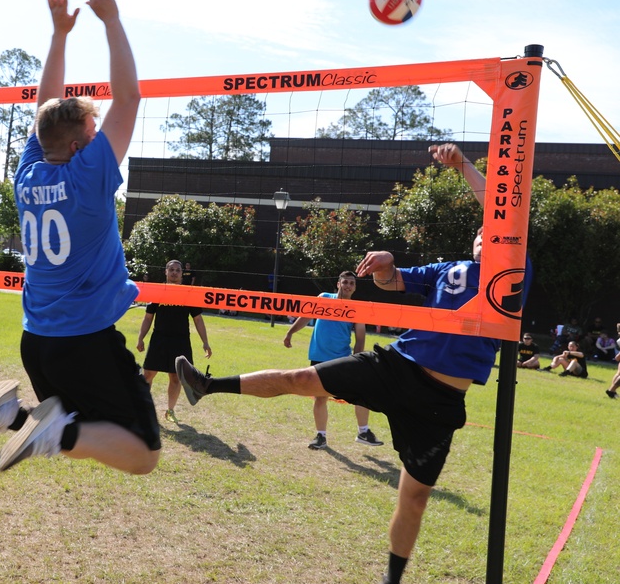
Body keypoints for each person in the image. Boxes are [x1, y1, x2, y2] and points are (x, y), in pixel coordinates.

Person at [174, 142, 530, 584]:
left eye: (491, 231)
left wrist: (463, 167)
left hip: (439, 402)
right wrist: (383, 266)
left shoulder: (513, 271)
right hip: (396, 366)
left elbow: (501, 213)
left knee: (414, 498)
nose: (484, 233)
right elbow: (391, 282)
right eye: (479, 232)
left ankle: (391, 579)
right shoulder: (447, 270)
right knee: (299, 378)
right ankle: (206, 386)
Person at [0, 0, 158, 475]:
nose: (100, 137)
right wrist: (111, 20)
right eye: (93, 132)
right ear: (77, 146)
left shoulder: (27, 172)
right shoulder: (87, 176)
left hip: (39, 341)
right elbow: (129, 98)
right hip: (85, 340)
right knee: (142, 454)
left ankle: (15, 417)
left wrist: (59, 34)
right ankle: (44, 428)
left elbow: (45, 108)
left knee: (87, 432)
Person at [283, 270, 382, 450]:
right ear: (338, 284)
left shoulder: (357, 308)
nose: (348, 286)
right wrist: (290, 333)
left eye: (351, 283)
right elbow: (305, 317)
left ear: (355, 287)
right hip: (319, 357)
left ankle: (363, 432)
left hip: (341, 359)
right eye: (345, 282)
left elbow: (360, 339)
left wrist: (357, 361)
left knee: (361, 392)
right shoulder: (324, 298)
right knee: (320, 398)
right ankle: (320, 437)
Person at [135, 260, 212, 423]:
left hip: (180, 340)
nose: (174, 273)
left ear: (182, 273)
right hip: (159, 339)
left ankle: (170, 411)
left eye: (178, 270)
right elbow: (148, 317)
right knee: (147, 375)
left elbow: (198, 319)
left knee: (176, 377)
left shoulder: (189, 293)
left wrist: (205, 342)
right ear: (166, 272)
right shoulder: (158, 291)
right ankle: (143, 410)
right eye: (171, 270)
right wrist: (141, 337)